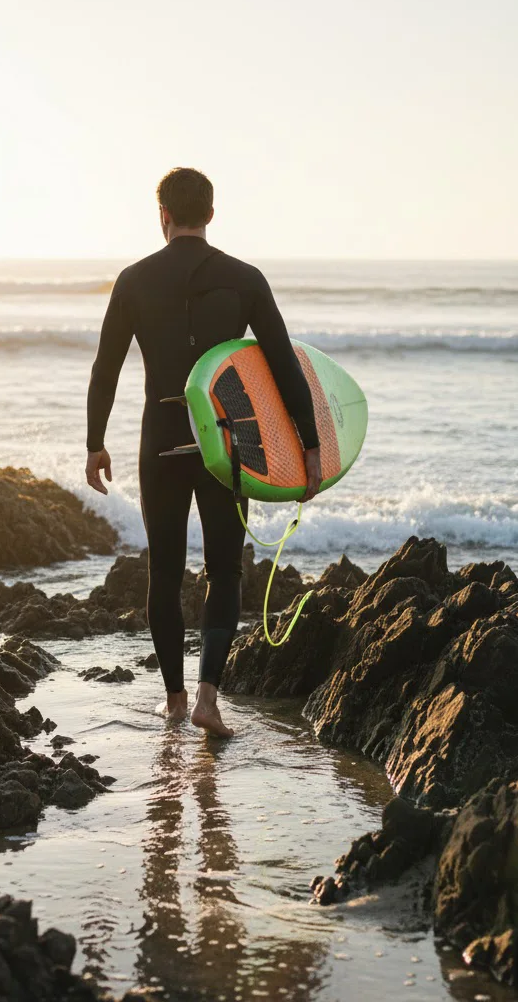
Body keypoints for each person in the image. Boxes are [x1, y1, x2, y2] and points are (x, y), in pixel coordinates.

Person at [84, 167, 322, 737]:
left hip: (160, 435)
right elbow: (285, 366)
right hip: (227, 440)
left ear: (161, 215)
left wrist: (95, 441)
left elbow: (106, 367)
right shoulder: (245, 279)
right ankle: (208, 700)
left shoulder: (134, 280)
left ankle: (172, 700)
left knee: (163, 573)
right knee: (223, 570)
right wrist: (309, 444)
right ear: (211, 215)